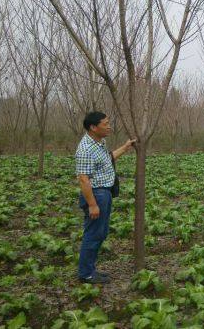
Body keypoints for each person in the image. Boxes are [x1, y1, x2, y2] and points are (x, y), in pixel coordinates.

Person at [76, 111, 135, 284]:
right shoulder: (85, 149)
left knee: (100, 233)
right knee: (93, 234)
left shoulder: (99, 142)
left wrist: (125, 148)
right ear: (93, 127)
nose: (109, 126)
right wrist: (92, 205)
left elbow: (108, 160)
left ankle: (90, 270)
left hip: (105, 193)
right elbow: (83, 179)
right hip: (96, 195)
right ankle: (86, 274)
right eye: (105, 124)